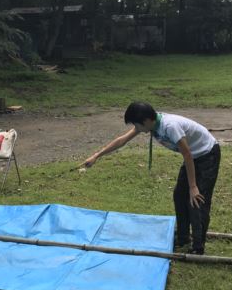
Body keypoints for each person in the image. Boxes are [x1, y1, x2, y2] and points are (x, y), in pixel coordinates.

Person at [82, 102, 220, 255]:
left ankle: (198, 246)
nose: (136, 128)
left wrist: (193, 186)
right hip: (193, 156)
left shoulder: (169, 126)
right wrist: (96, 156)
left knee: (196, 199)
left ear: (146, 121)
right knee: (179, 195)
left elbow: (187, 154)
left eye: (136, 124)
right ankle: (183, 237)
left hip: (207, 154)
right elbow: (122, 140)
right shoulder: (152, 124)